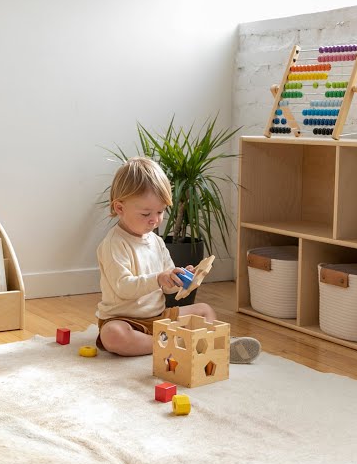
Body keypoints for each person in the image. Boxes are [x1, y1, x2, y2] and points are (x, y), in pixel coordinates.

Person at [96, 156, 261, 363]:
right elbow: (123, 288)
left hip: (158, 317)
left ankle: (202, 342)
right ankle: (179, 343)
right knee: (113, 335)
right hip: (125, 320)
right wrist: (158, 279)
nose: (155, 219)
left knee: (204, 311)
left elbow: (168, 288)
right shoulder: (114, 244)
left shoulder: (156, 241)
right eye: (146, 213)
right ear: (120, 208)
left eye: (160, 211)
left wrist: (179, 278)